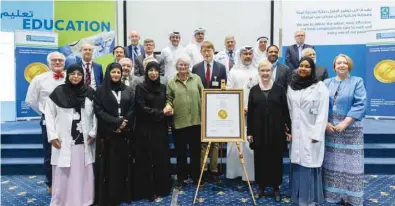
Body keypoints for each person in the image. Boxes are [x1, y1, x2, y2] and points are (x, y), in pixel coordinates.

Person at [45, 64, 96, 206]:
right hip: (64, 139)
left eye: (79, 74)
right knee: (64, 171)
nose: (76, 77)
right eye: (72, 74)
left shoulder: (89, 92)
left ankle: (84, 199)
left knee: (82, 171)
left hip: (84, 139)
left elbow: (95, 115)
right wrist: (53, 135)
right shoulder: (58, 92)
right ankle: (62, 201)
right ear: (68, 75)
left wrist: (93, 132)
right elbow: (48, 114)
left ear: (83, 76)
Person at [323, 54, 366, 206]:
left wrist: (345, 123)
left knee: (350, 165)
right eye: (338, 63)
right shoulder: (326, 82)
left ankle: (350, 197)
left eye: (344, 63)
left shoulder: (357, 81)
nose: (341, 65)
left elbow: (360, 104)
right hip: (331, 130)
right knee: (333, 163)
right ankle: (334, 195)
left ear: (349, 65)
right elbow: (320, 104)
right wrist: (326, 123)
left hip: (351, 130)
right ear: (334, 66)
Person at [247, 60, 291, 202]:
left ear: (272, 72)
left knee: (275, 159)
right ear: (259, 72)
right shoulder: (253, 90)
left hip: (276, 131)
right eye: (263, 70)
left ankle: (276, 187)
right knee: (260, 159)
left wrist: (288, 130)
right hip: (259, 132)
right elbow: (251, 114)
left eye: (268, 70)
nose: (265, 73)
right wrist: (250, 132)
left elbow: (286, 111)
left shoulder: (280, 89)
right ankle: (261, 186)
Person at [287, 56, 329, 206]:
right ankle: (297, 196)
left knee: (309, 162)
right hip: (297, 131)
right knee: (298, 161)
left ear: (312, 69)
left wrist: (317, 134)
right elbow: (291, 110)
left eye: (307, 66)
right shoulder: (292, 86)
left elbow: (323, 113)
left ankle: (310, 198)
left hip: (311, 131)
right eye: (301, 66)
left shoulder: (320, 87)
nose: (303, 68)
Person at [93, 63, 135, 205]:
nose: (116, 74)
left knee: (124, 166)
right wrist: (116, 123)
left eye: (118, 72)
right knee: (110, 167)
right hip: (108, 135)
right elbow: (99, 111)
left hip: (125, 135)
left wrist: (124, 123)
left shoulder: (129, 90)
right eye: (113, 72)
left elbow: (132, 108)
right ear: (108, 73)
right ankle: (110, 196)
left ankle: (124, 194)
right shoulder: (100, 91)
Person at [25, 51, 66, 194]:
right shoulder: (39, 79)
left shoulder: (70, 77)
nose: (57, 62)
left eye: (60, 60)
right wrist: (45, 113)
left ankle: (67, 181)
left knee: (67, 151)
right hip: (49, 121)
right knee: (50, 152)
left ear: (64, 62)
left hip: (68, 120)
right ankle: (51, 183)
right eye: (54, 60)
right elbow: (31, 101)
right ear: (48, 62)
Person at [134, 61, 172, 201]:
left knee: (160, 158)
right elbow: (141, 108)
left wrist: (168, 108)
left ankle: (161, 188)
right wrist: (161, 112)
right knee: (147, 159)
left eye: (156, 70)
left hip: (160, 129)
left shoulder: (162, 87)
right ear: (146, 71)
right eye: (150, 70)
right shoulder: (140, 87)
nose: (153, 73)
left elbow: (166, 101)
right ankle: (148, 190)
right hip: (146, 130)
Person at [192, 41, 227, 182]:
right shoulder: (195, 68)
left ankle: (213, 170)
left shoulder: (221, 68)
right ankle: (203, 170)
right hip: (200, 109)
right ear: (201, 53)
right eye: (204, 51)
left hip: (216, 109)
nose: (207, 53)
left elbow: (224, 88)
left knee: (215, 142)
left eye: (209, 50)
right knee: (203, 141)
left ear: (214, 51)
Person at [166, 56, 203, 188]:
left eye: (185, 65)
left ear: (189, 66)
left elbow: (203, 96)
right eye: (180, 65)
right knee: (180, 152)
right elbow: (169, 99)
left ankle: (196, 176)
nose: (183, 67)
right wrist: (168, 106)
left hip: (196, 122)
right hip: (179, 123)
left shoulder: (196, 79)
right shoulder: (171, 82)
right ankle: (182, 178)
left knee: (195, 152)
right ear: (177, 66)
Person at [226, 45, 259, 182]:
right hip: (236, 114)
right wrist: (239, 107)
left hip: (254, 114)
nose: (247, 56)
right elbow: (228, 91)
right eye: (245, 53)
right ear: (240, 56)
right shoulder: (233, 72)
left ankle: (249, 175)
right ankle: (234, 174)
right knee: (235, 145)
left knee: (250, 145)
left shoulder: (258, 71)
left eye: (249, 54)